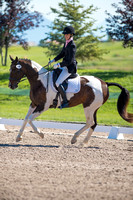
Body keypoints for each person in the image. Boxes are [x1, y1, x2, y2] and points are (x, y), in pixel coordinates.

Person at [49, 26, 77, 108]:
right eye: (65, 34)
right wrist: (54, 60)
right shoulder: (66, 43)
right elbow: (62, 54)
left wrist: (59, 65)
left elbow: (70, 61)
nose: (65, 36)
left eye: (67, 34)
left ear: (71, 35)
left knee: (58, 83)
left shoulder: (72, 46)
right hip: (65, 66)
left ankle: (65, 101)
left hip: (69, 68)